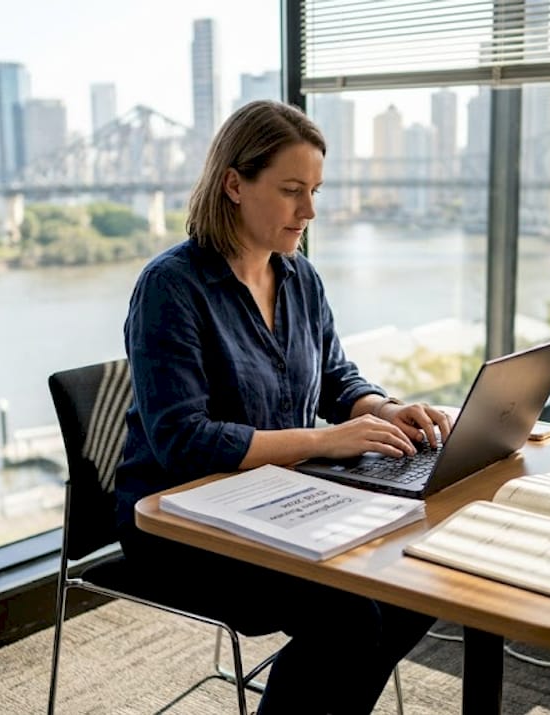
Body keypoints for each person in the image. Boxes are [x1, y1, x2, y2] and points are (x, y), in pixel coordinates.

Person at [113, 100, 447, 715]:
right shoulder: (171, 287)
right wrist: (325, 442)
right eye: (292, 190)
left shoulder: (300, 276)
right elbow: (185, 441)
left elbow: (335, 375)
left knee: (418, 577)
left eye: (315, 190)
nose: (310, 210)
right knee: (347, 619)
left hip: (276, 499)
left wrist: (381, 408)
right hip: (181, 519)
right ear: (234, 184)